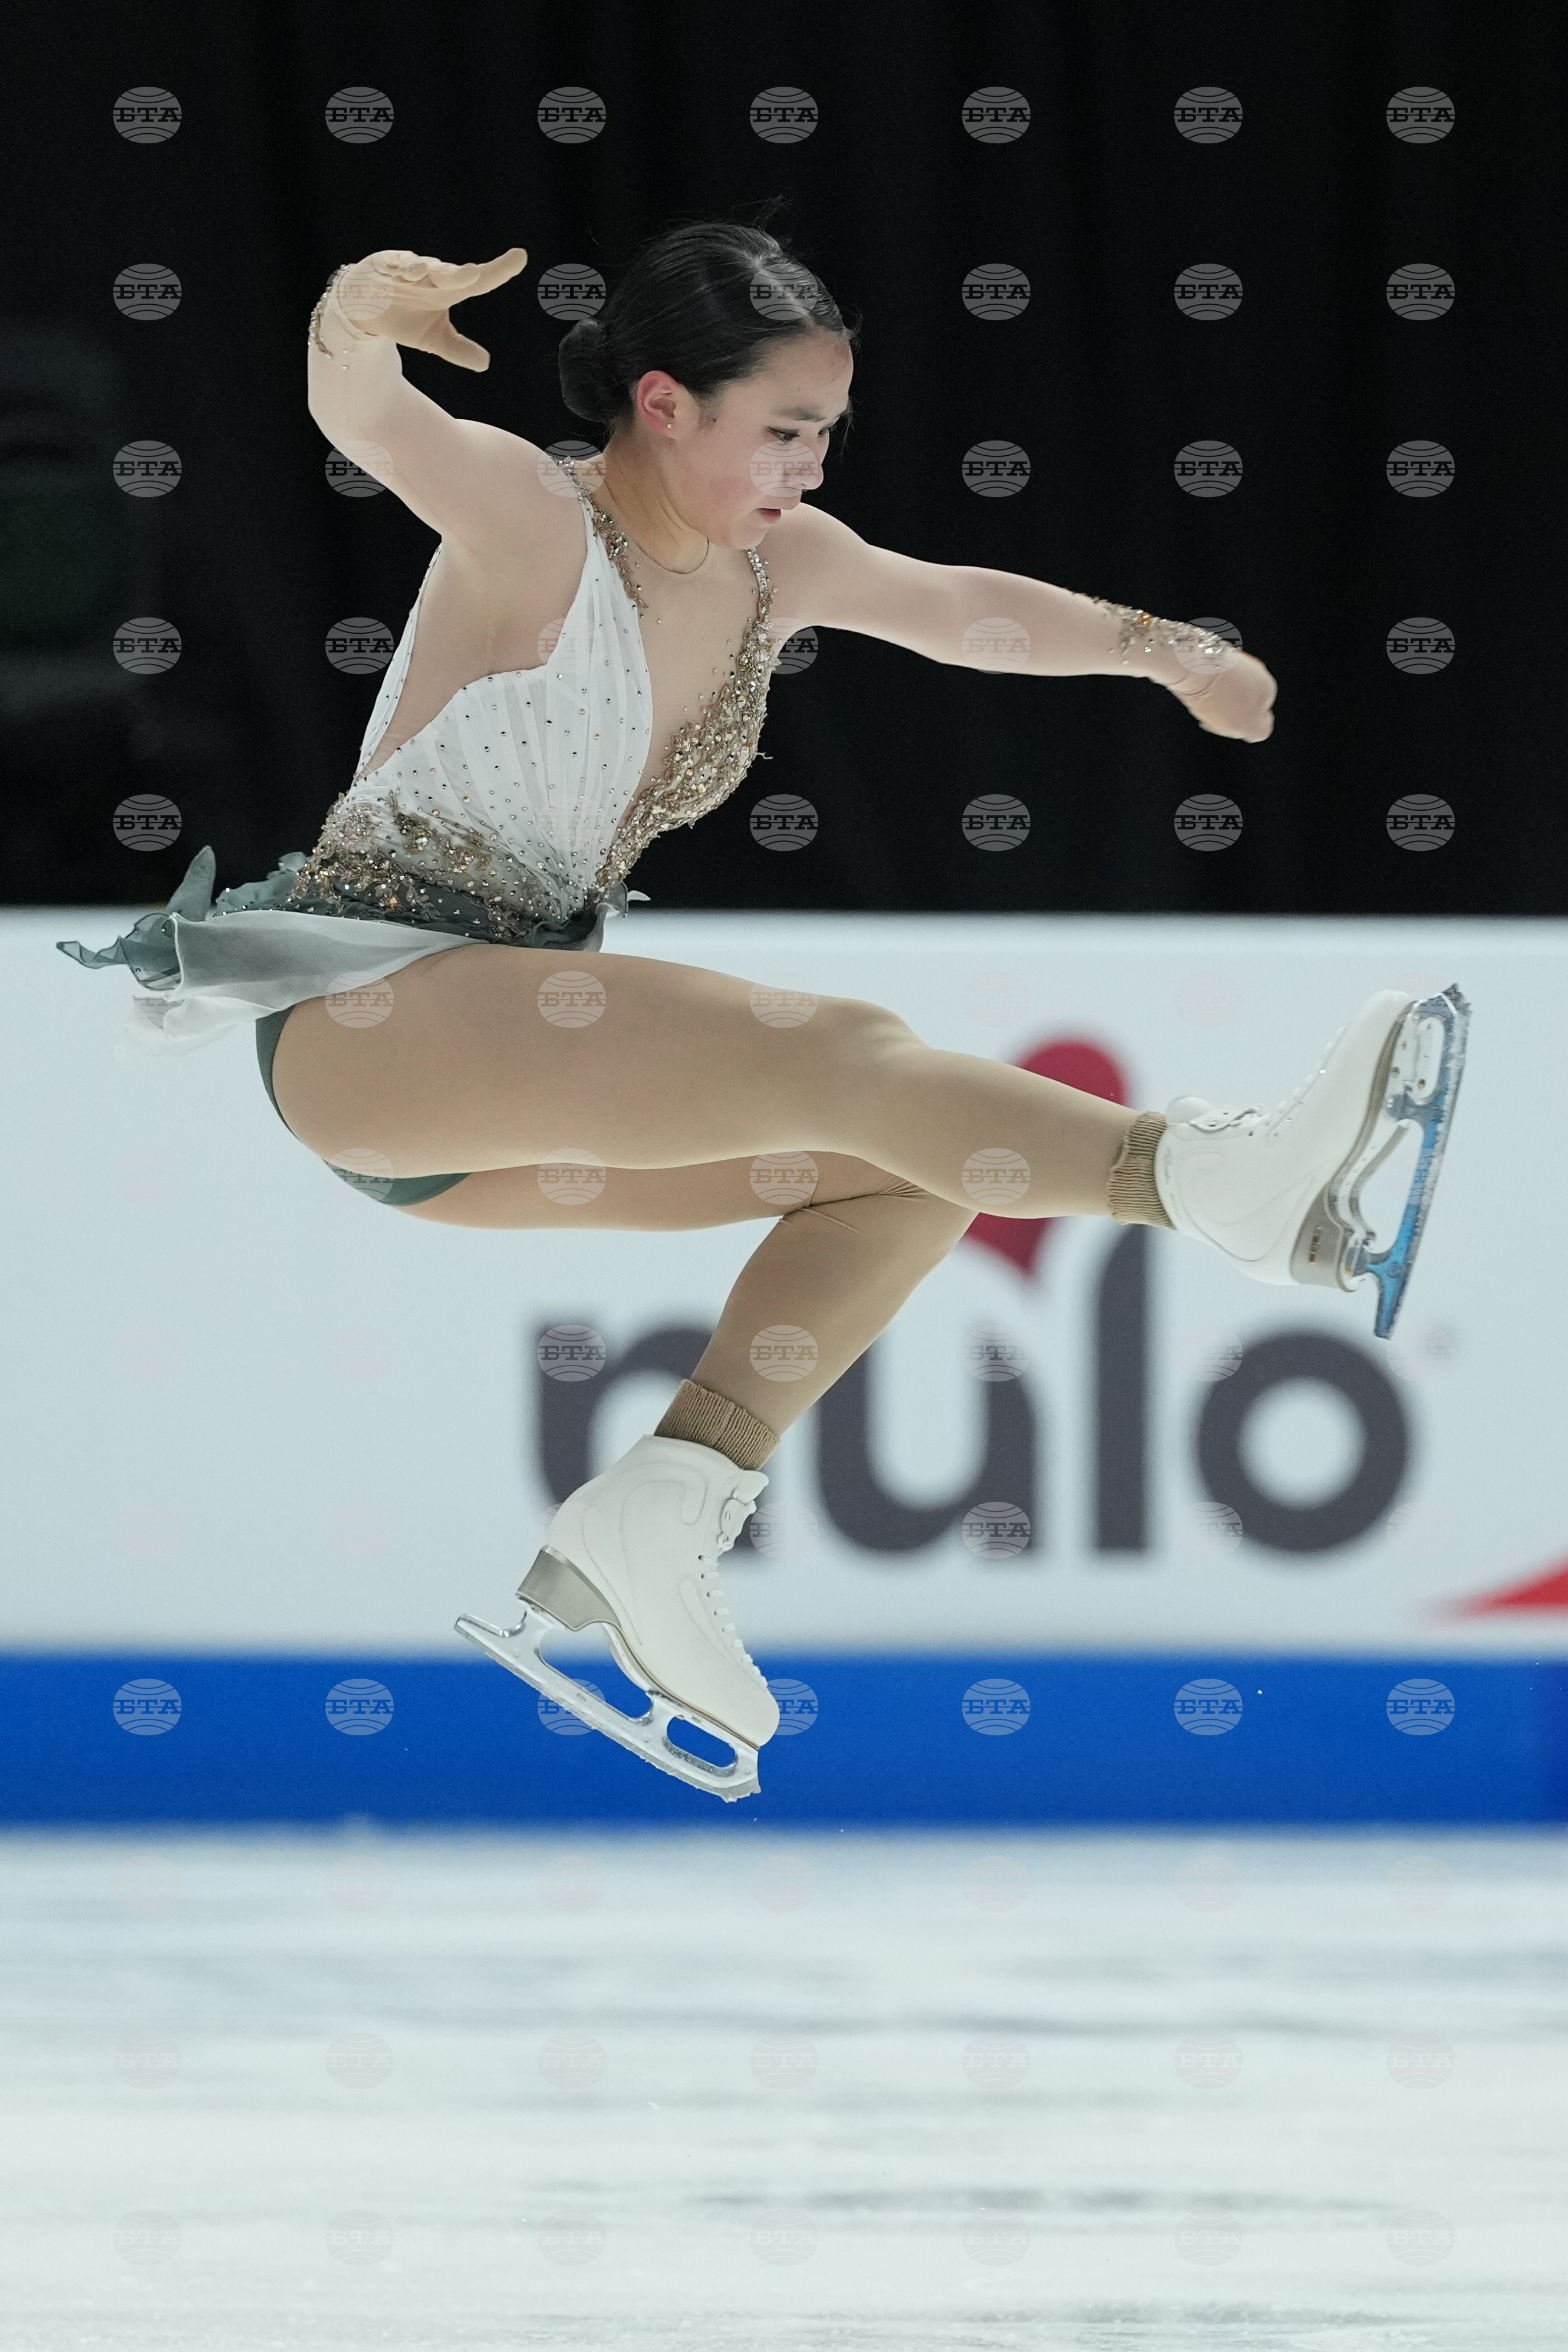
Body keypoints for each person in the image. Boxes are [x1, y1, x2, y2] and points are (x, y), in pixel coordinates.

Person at [58, 219, 1467, 1800]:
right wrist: (350, 310)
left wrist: (1167, 653)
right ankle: (1213, 1183)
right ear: (665, 404)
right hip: (371, 1018)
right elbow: (369, 418)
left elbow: (960, 606)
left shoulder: (771, 564)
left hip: (474, 1097)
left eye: (826, 433)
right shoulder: (534, 518)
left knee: (904, 1168)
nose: (808, 464)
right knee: (849, 1056)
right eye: (783, 428)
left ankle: (663, 1510)